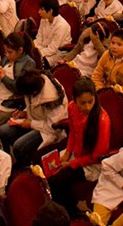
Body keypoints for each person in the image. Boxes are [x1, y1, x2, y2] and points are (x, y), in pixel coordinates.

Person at [47, 78, 111, 213]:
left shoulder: (102, 120)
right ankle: (66, 205)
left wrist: (71, 163)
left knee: (57, 180)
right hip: (76, 153)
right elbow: (73, 133)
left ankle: (70, 212)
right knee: (49, 171)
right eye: (82, 103)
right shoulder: (71, 107)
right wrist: (67, 153)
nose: (87, 107)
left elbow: (96, 156)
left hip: (91, 163)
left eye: (90, 102)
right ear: (74, 100)